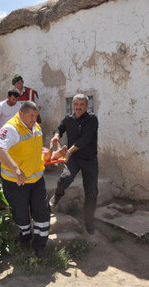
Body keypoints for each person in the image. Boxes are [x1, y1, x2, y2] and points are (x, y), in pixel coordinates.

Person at [0, 101, 50, 258]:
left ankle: (40, 246)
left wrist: (53, 155)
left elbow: (35, 151)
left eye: (36, 116)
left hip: (37, 179)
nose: (34, 119)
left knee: (42, 213)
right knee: (21, 214)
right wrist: (16, 169)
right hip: (17, 181)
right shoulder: (11, 128)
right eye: (31, 116)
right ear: (21, 114)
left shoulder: (36, 127)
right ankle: (25, 240)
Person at [50, 94, 98, 234]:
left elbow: (85, 139)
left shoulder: (92, 119)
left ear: (86, 106)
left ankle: (89, 220)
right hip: (74, 159)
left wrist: (68, 152)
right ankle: (57, 195)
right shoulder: (68, 118)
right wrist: (56, 136)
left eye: (81, 104)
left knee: (92, 192)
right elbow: (59, 128)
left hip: (89, 160)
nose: (78, 107)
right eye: (76, 104)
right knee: (66, 177)